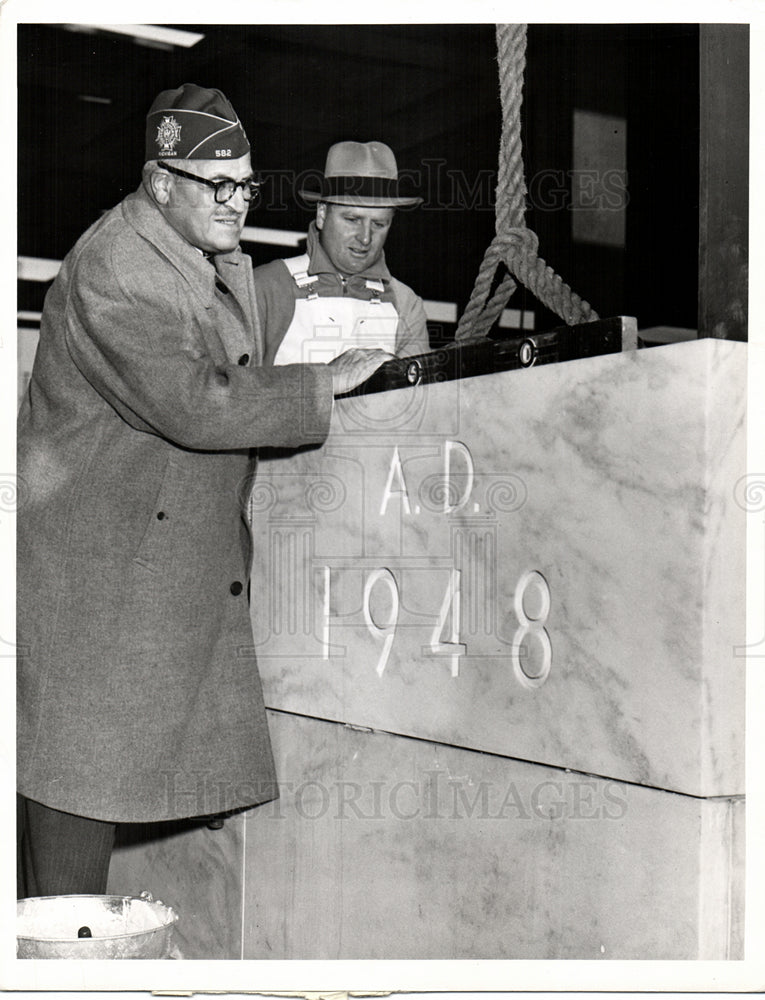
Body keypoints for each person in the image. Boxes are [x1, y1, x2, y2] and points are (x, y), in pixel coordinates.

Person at [16, 83, 390, 898]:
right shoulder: (116, 265)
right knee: (69, 845)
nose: (235, 203)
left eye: (245, 185)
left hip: (140, 576)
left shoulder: (199, 256)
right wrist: (319, 387)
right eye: (215, 184)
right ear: (160, 184)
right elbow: (193, 400)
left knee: (96, 812)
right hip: (99, 592)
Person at [253, 140, 430, 366]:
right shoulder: (266, 288)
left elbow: (412, 399)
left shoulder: (405, 304)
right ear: (322, 214)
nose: (365, 238)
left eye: (379, 224)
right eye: (352, 220)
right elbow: (233, 390)